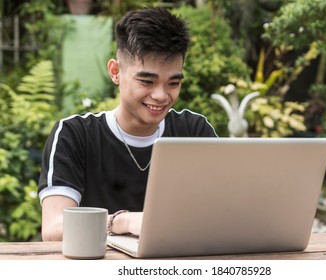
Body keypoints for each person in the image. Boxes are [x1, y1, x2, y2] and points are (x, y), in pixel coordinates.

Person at [38, 8, 218, 241]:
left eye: (173, 83)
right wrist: (124, 221)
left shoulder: (194, 132)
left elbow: (222, 211)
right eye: (146, 81)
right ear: (115, 72)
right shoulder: (74, 135)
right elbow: (53, 230)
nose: (161, 96)